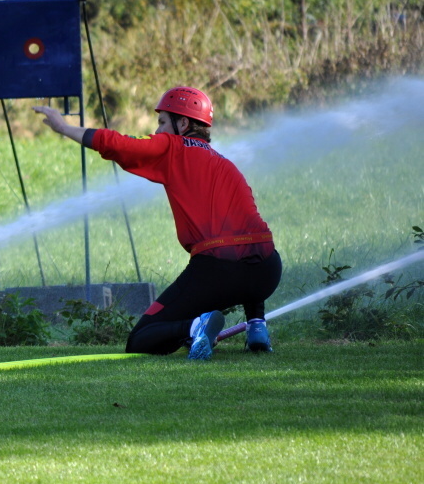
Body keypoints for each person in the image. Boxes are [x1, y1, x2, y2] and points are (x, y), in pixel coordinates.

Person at [33, 86, 281, 360]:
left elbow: (119, 143)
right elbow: (251, 233)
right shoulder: (225, 164)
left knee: (141, 338)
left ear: (183, 123)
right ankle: (257, 326)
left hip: (219, 272)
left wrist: (64, 128)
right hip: (267, 271)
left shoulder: (173, 147)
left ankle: (196, 327)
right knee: (247, 242)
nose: (158, 130)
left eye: (162, 122)